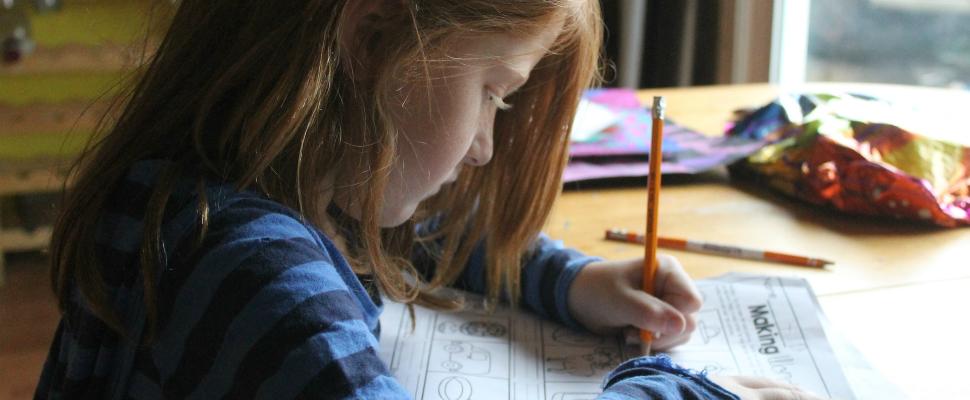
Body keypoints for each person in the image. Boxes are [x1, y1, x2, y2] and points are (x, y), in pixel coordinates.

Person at [36, 1, 822, 399]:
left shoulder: (202, 186)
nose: (485, 144)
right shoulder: (259, 278)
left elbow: (422, 231)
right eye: (492, 92)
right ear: (373, 38)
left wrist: (569, 281)